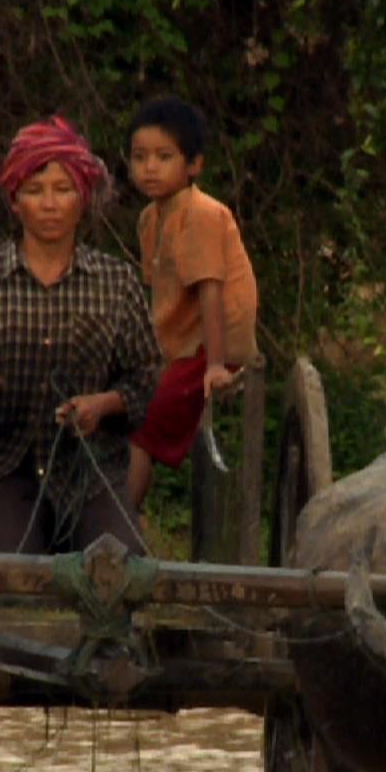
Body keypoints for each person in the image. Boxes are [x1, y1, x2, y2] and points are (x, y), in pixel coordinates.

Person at [0, 117, 160, 555]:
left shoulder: (116, 283)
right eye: (34, 191)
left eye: (63, 190)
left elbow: (144, 377)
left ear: (82, 199)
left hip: (92, 473)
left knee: (120, 573)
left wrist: (103, 404)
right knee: (13, 584)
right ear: (15, 202)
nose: (49, 204)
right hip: (3, 470)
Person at [123, 96, 259, 509]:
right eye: (140, 157)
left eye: (164, 157)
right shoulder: (150, 218)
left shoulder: (202, 213)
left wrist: (216, 365)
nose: (149, 167)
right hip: (179, 347)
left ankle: (118, 524)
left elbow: (211, 292)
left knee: (139, 425)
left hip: (211, 346)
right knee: (118, 404)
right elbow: (161, 297)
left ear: (193, 165)